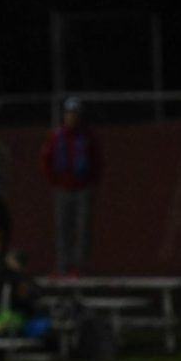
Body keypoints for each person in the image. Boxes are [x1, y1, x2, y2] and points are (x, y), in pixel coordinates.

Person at [40, 97, 102, 276]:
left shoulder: (88, 137)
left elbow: (97, 162)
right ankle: (62, 266)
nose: (71, 117)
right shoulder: (56, 136)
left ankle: (79, 267)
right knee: (62, 228)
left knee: (83, 229)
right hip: (62, 189)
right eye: (69, 113)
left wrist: (91, 183)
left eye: (75, 114)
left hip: (83, 188)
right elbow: (45, 160)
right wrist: (54, 182)